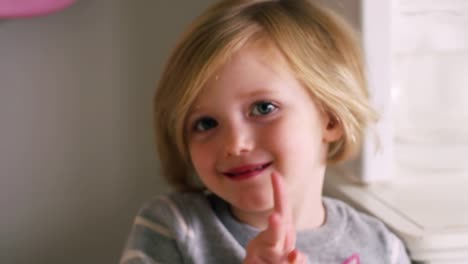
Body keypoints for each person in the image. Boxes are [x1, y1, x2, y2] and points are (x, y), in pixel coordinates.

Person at [120, 0, 411, 263]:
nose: (235, 144)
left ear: (331, 118)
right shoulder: (175, 227)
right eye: (206, 123)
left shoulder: (382, 249)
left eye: (263, 108)